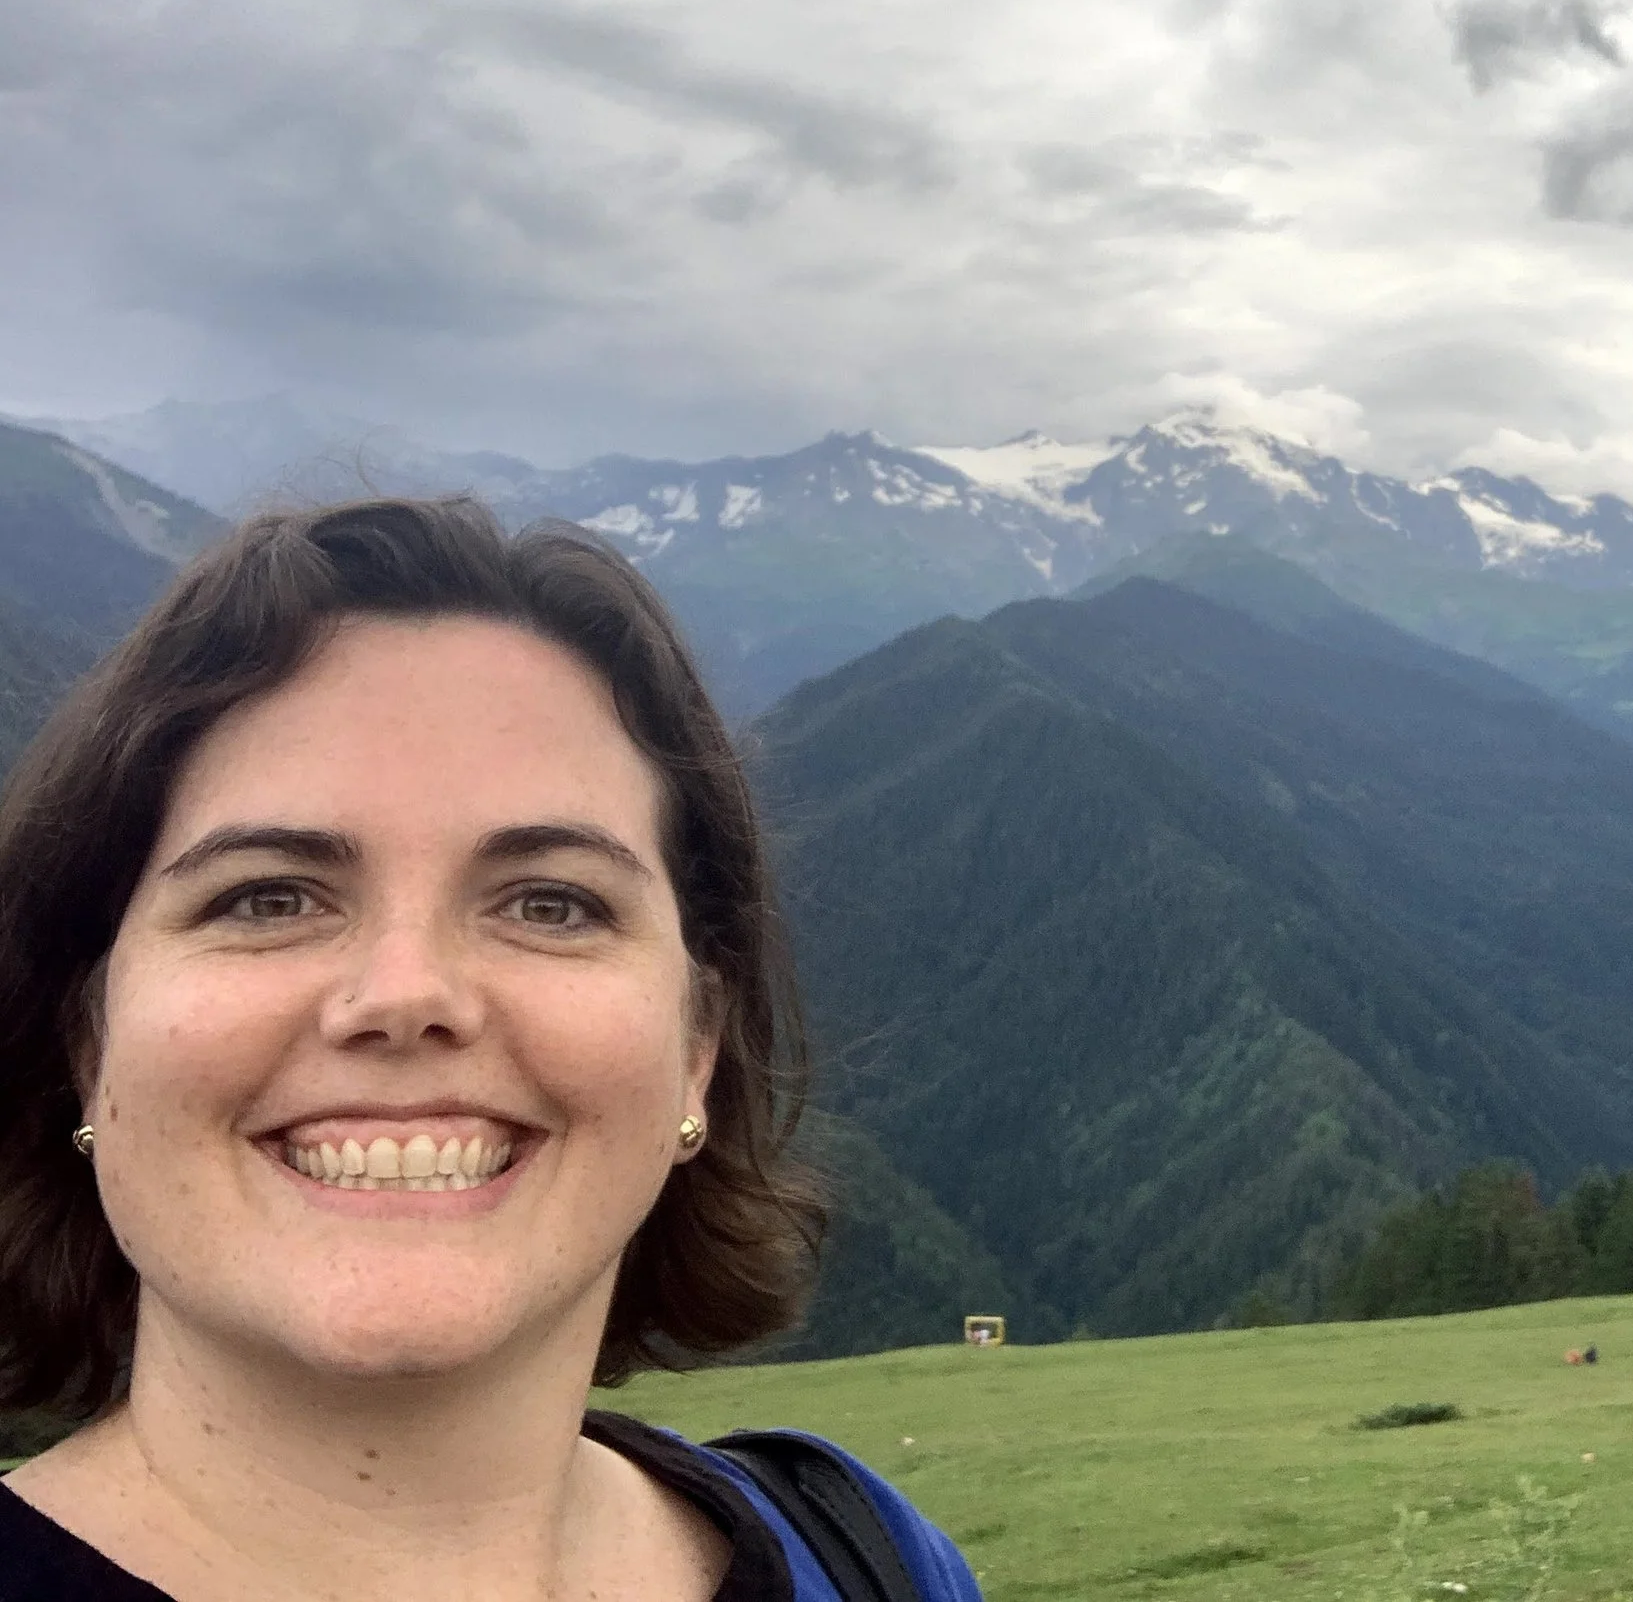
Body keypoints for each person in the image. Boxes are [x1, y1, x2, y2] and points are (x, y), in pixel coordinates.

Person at [0, 498, 981, 1601]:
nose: (408, 994)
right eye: (270, 897)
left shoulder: (871, 1561)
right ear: (88, 1041)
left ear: (697, 1047)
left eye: (551, 904)